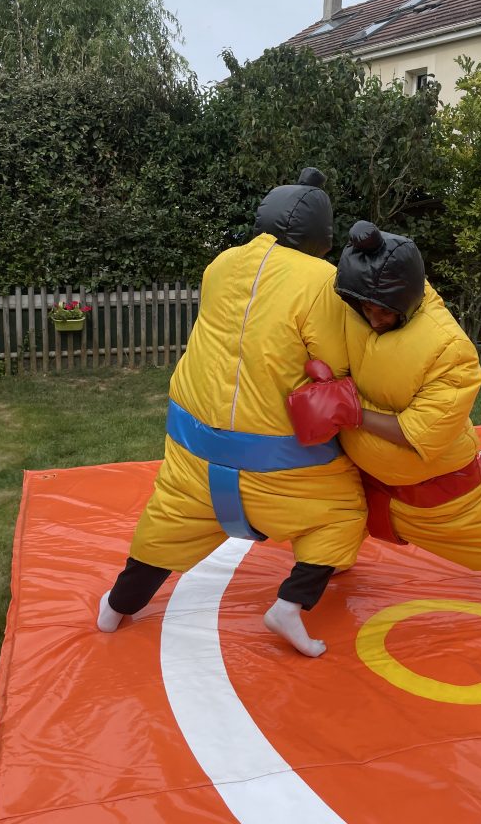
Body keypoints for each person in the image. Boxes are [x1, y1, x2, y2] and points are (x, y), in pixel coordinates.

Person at [97, 169, 366, 658]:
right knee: (341, 513)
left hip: (195, 452)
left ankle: (117, 605)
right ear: (320, 235)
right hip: (280, 463)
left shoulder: (222, 263)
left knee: (169, 522)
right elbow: (335, 360)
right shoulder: (322, 280)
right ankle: (290, 604)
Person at [287, 221, 481, 630]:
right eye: (364, 306)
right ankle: (310, 580)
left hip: (434, 480)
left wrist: (349, 410)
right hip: (359, 466)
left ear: (405, 299)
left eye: (382, 309)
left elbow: (417, 433)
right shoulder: (355, 307)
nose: (373, 317)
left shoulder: (450, 350)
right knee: (328, 516)